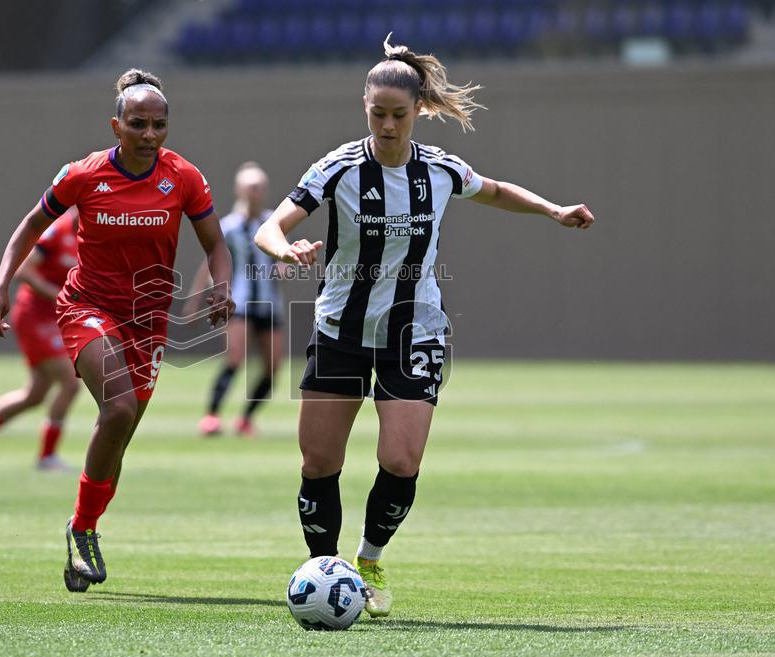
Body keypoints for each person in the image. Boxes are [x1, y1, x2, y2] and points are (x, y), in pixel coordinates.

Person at [254, 36, 595, 618]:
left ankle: (369, 559)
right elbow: (271, 225)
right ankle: (325, 573)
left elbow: (495, 190)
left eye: (399, 115)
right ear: (364, 107)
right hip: (339, 330)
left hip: (415, 333)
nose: (388, 126)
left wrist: (552, 210)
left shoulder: (439, 169)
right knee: (318, 464)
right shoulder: (336, 168)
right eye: (377, 114)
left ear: (418, 112)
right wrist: (284, 251)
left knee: (402, 460)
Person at [0, 69, 234, 592]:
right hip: (87, 308)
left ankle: (83, 527)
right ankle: (82, 531)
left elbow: (216, 243)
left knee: (117, 438)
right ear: (116, 124)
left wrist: (222, 287)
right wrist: (1, 284)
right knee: (116, 408)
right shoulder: (83, 174)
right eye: (138, 123)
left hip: (149, 322)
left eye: (159, 125)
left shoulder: (183, 176)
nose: (149, 134)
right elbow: (30, 226)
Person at [0, 208, 81, 471]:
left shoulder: (91, 234)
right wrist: (57, 295)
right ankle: (47, 456)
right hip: (34, 317)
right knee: (70, 383)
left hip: (54, 320)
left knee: (33, 395)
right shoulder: (58, 231)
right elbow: (24, 270)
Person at [186, 162, 284, 437]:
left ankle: (246, 419)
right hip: (240, 304)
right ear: (239, 189)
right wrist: (195, 302)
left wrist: (285, 264)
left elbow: (282, 254)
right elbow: (209, 264)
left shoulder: (271, 224)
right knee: (235, 358)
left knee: (273, 367)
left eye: (260, 187)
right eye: (251, 187)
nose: (256, 192)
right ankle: (212, 416)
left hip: (269, 304)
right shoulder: (228, 227)